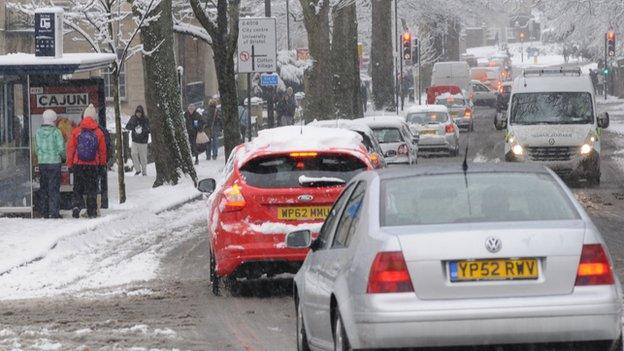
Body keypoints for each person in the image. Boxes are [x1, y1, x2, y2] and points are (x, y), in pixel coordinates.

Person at [67, 104, 107, 219]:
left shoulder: (77, 131)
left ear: (84, 117)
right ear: (94, 117)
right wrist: (102, 164)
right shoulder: (99, 132)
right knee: (91, 188)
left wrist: (70, 164)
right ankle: (92, 210)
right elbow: (102, 151)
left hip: (78, 164)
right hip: (92, 165)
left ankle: (76, 205)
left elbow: (71, 149)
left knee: (78, 187)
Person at [36, 109, 66, 219]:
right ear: (54, 119)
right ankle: (54, 213)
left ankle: (44, 212)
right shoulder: (56, 132)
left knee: (43, 188)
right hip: (54, 163)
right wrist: (63, 158)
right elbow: (61, 149)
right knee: (54, 188)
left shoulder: (38, 132)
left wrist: (41, 157)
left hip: (42, 163)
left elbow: (37, 148)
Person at [125, 105, 150, 176]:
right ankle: (138, 169)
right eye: (137, 112)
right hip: (135, 140)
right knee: (133, 154)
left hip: (143, 141)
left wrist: (142, 129)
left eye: (140, 113)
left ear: (142, 113)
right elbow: (128, 126)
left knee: (143, 157)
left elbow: (149, 129)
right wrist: (134, 127)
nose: (138, 114)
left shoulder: (145, 119)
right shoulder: (133, 118)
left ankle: (144, 171)